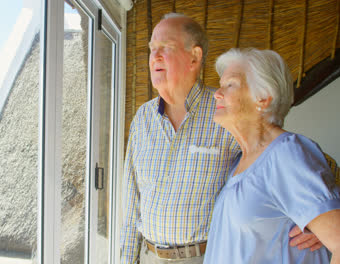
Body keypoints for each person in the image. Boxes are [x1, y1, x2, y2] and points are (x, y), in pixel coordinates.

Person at [121, 13, 322, 264]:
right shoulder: (143, 117)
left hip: (206, 257)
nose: (155, 57)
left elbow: (290, 163)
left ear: (194, 57)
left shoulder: (226, 112)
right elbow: (131, 199)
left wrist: (320, 222)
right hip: (148, 256)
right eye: (152, 49)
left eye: (166, 48)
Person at [204, 48, 340, 263]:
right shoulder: (240, 161)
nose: (217, 93)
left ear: (263, 97)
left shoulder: (287, 155)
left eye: (230, 85)